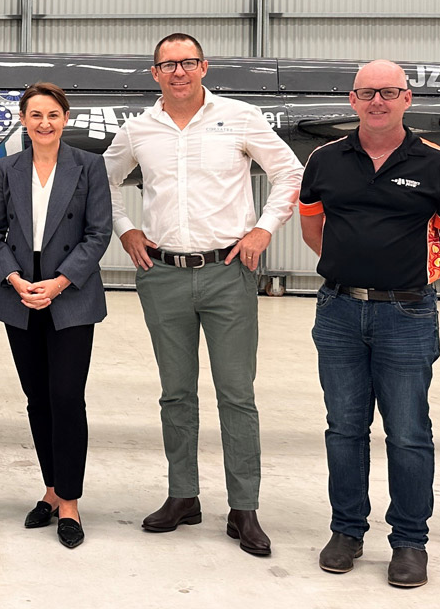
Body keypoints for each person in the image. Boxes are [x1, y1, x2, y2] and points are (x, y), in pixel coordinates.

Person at [101, 33, 302, 557]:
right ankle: (182, 496)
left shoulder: (238, 116)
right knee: (176, 394)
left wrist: (263, 229)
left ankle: (244, 508)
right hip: (162, 274)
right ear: (154, 74)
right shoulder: (140, 129)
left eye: (187, 62)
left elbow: (289, 173)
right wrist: (126, 229)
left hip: (227, 272)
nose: (178, 72)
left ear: (204, 67)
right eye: (167, 64)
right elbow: (101, 183)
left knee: (237, 395)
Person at [299, 59, 440, 589]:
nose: (378, 101)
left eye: (389, 92)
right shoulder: (324, 160)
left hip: (408, 314)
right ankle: (347, 530)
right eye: (367, 92)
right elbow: (313, 229)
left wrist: (408, 274)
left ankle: (409, 542)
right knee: (344, 429)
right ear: (352, 100)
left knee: (408, 432)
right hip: (339, 311)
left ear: (407, 99)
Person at [0, 82, 112, 549]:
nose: (44, 123)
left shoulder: (89, 166)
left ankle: (71, 501)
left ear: (66, 118)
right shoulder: (7, 169)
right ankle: (52, 490)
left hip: (69, 294)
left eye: (53, 114)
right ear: (23, 119)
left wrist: (59, 283)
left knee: (65, 396)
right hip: (20, 293)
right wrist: (14, 280)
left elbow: (99, 234)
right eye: (35, 115)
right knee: (37, 396)